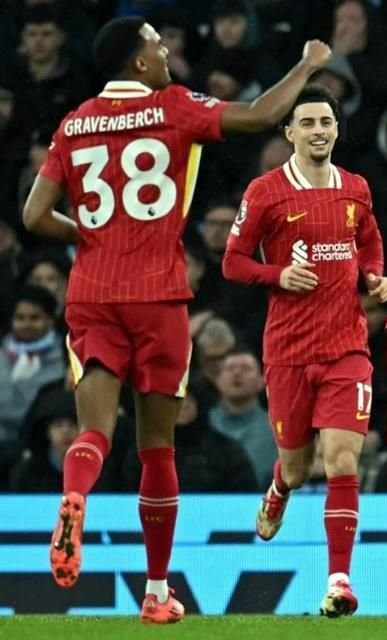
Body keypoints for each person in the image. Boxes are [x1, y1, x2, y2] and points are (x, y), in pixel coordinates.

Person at [21, 15, 332, 624]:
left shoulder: (74, 121)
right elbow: (263, 115)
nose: (166, 53)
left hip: (92, 292)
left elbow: (34, 216)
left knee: (94, 432)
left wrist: (84, 232)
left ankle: (73, 497)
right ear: (138, 63)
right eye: (158, 46)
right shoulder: (172, 106)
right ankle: (158, 592)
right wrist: (309, 64)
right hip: (159, 294)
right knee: (157, 448)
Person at [222, 86, 387, 617]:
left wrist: (375, 278)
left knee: (342, 462)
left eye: (326, 121)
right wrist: (278, 274)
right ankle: (278, 488)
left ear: (336, 130)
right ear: (289, 132)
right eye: (308, 122)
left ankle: (339, 581)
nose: (319, 130)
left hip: (347, 348)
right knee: (297, 469)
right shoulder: (266, 192)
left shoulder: (357, 188)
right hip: (289, 351)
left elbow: (370, 242)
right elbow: (231, 262)